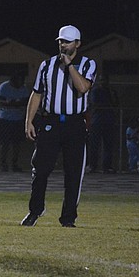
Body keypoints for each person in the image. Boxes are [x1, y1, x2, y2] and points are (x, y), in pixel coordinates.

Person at [22, 25, 96, 228]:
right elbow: (37, 93)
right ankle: (35, 210)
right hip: (51, 122)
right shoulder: (47, 65)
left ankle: (68, 217)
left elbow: (83, 88)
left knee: (73, 173)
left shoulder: (88, 64)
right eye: (61, 41)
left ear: (77, 44)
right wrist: (29, 121)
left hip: (75, 123)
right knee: (40, 169)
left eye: (67, 42)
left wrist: (69, 65)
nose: (63, 45)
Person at [87, 72, 119, 173]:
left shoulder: (110, 91)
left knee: (108, 144)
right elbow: (94, 103)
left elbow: (116, 103)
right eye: (101, 80)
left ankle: (107, 166)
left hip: (108, 120)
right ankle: (93, 165)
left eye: (104, 80)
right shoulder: (96, 91)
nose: (103, 82)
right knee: (94, 144)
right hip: (97, 120)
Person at [0, 72, 28, 172]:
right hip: (5, 119)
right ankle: (3, 163)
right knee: (4, 142)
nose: (20, 83)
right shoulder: (4, 87)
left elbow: (25, 101)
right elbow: (0, 101)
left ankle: (14, 163)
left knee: (17, 143)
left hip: (18, 119)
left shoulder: (23, 89)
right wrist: (13, 103)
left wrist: (13, 102)